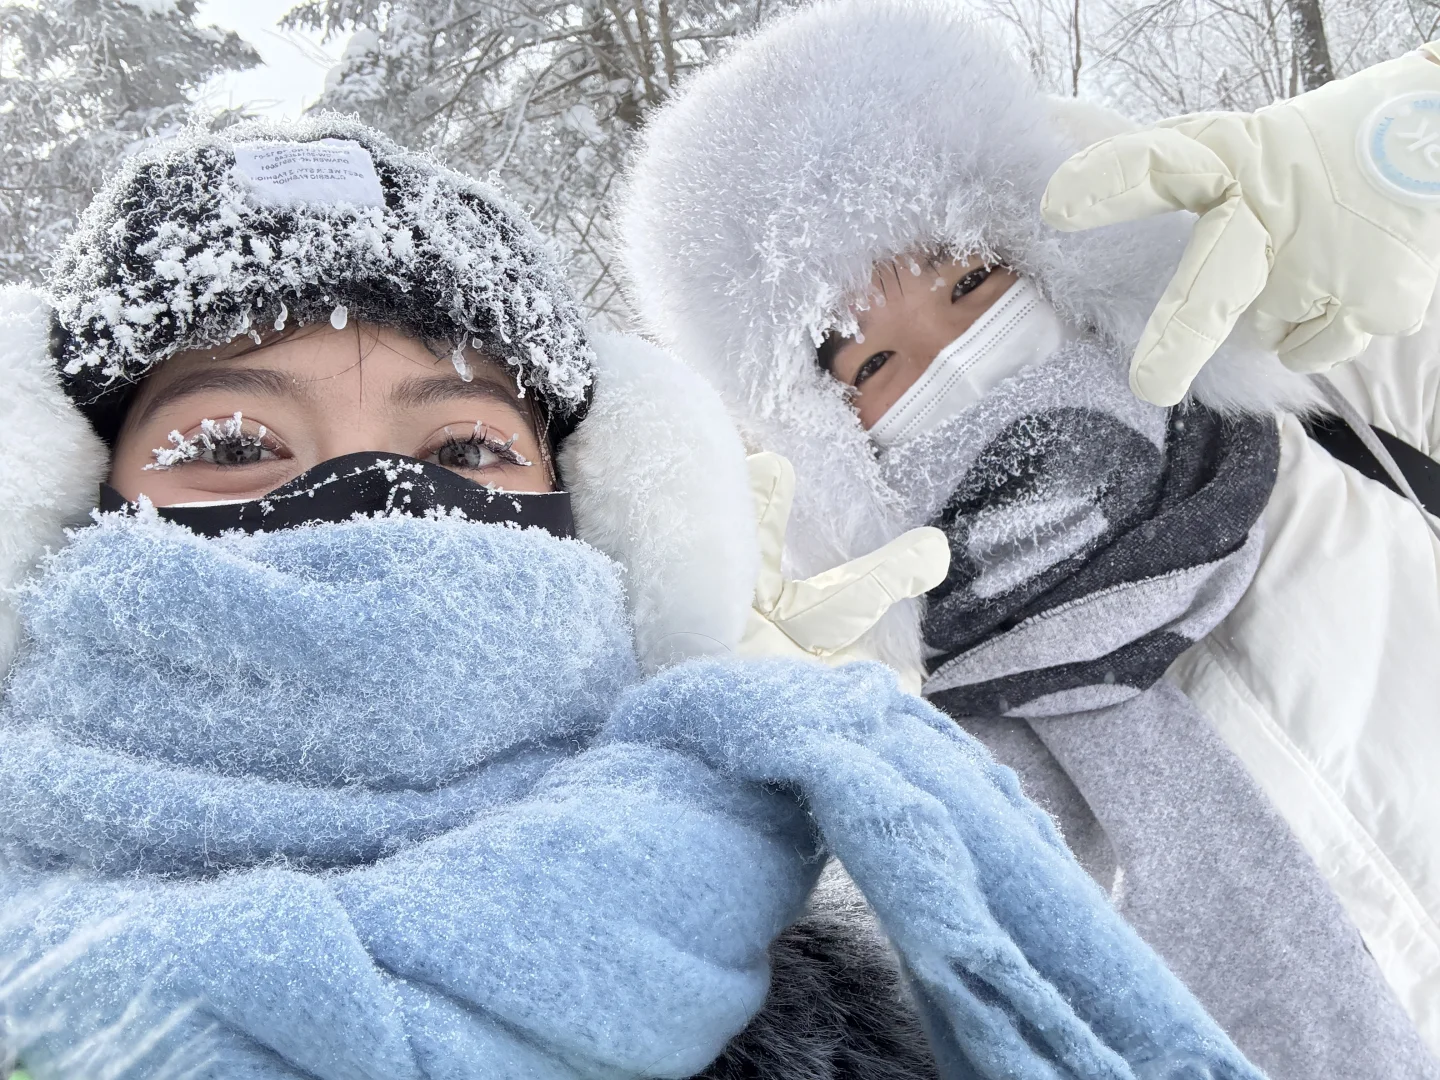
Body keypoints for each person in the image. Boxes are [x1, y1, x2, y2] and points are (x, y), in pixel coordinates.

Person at [0, 116, 1272, 1080]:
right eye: (230, 444)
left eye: (464, 449)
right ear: (56, 503)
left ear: (604, 521)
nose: (370, 509)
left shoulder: (802, 942)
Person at [615, 1, 1440, 1076]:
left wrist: (1406, 137)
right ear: (819, 438)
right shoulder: (920, 748)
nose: (959, 360)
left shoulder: (1340, 391)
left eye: (970, 282)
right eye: (872, 364)